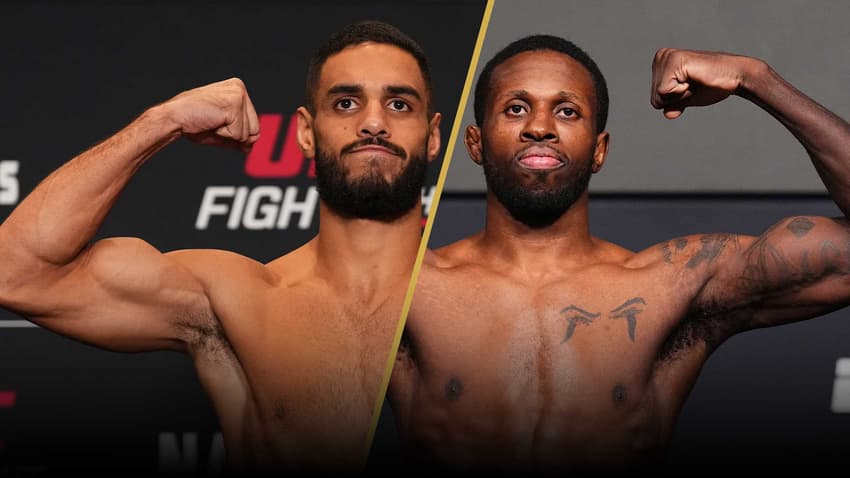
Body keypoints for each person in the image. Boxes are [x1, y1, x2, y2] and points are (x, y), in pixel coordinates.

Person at [389, 34, 850, 471]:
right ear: (475, 141)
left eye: (567, 112)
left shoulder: (669, 285)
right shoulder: (405, 286)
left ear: (599, 150)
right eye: (516, 108)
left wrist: (755, 78)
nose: (540, 128)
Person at [0, 20, 441, 472]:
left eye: (399, 104)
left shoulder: (491, 298)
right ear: (306, 133)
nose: (372, 122)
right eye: (346, 103)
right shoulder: (238, 299)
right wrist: (162, 121)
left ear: (433, 135)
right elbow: (14, 273)